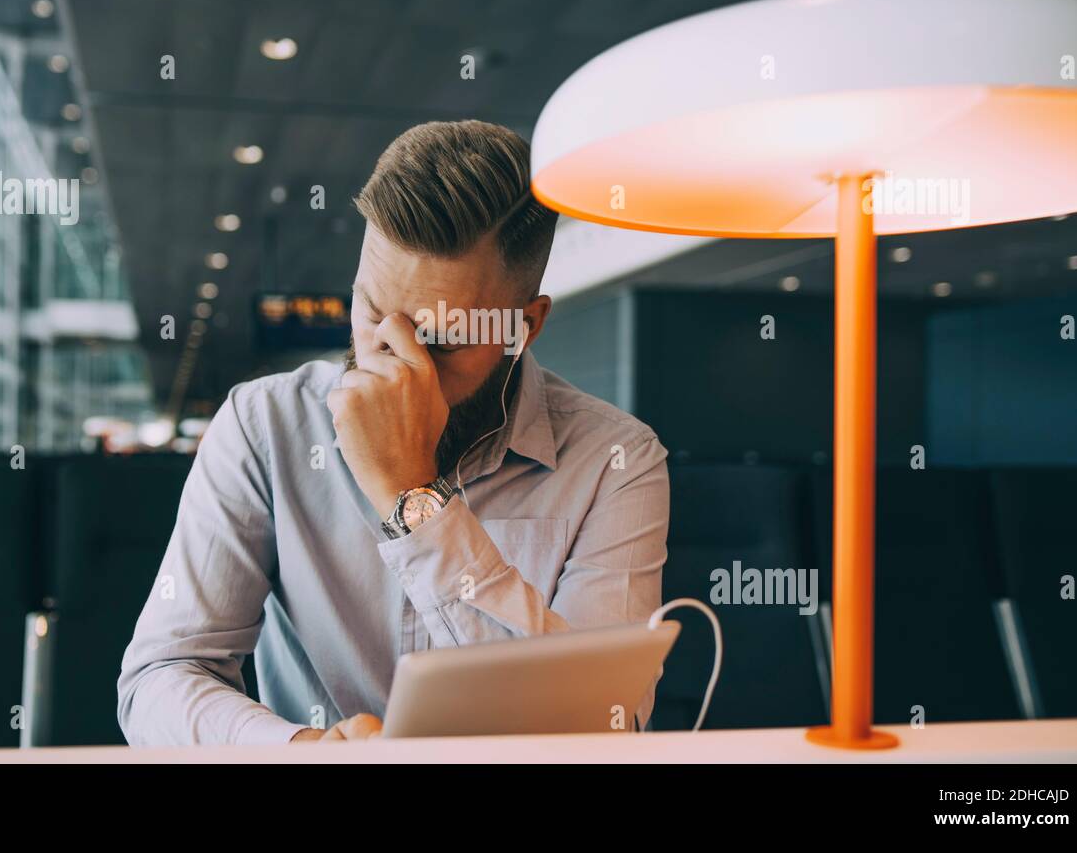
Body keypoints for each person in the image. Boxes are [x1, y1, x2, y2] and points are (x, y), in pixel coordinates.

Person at [118, 120, 669, 744]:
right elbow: (160, 677)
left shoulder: (616, 459)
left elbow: (600, 728)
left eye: (439, 340)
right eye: (372, 312)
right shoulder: (263, 426)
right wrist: (293, 751)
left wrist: (413, 498)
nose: (390, 362)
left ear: (525, 326)